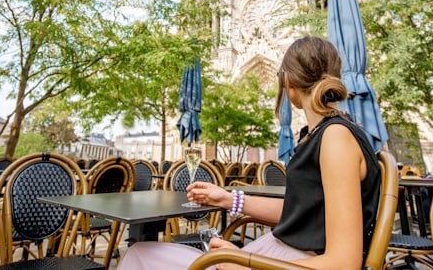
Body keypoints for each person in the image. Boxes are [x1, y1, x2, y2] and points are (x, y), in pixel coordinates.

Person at [117, 36, 381, 270]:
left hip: (284, 263)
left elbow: (344, 264)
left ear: (288, 83)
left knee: (139, 256)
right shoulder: (319, 135)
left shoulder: (336, 138)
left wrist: (247, 264)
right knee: (140, 253)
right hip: (275, 255)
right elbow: (300, 212)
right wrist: (228, 199)